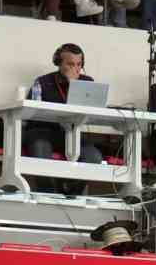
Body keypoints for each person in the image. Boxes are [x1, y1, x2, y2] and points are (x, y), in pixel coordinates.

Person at [25, 45, 104, 194]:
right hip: (42, 131)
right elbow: (32, 112)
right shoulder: (42, 82)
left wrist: (74, 85)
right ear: (58, 63)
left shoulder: (87, 83)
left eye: (79, 64)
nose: (76, 68)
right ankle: (47, 192)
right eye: (70, 64)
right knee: (40, 151)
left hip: (73, 134)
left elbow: (92, 113)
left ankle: (72, 190)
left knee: (94, 157)